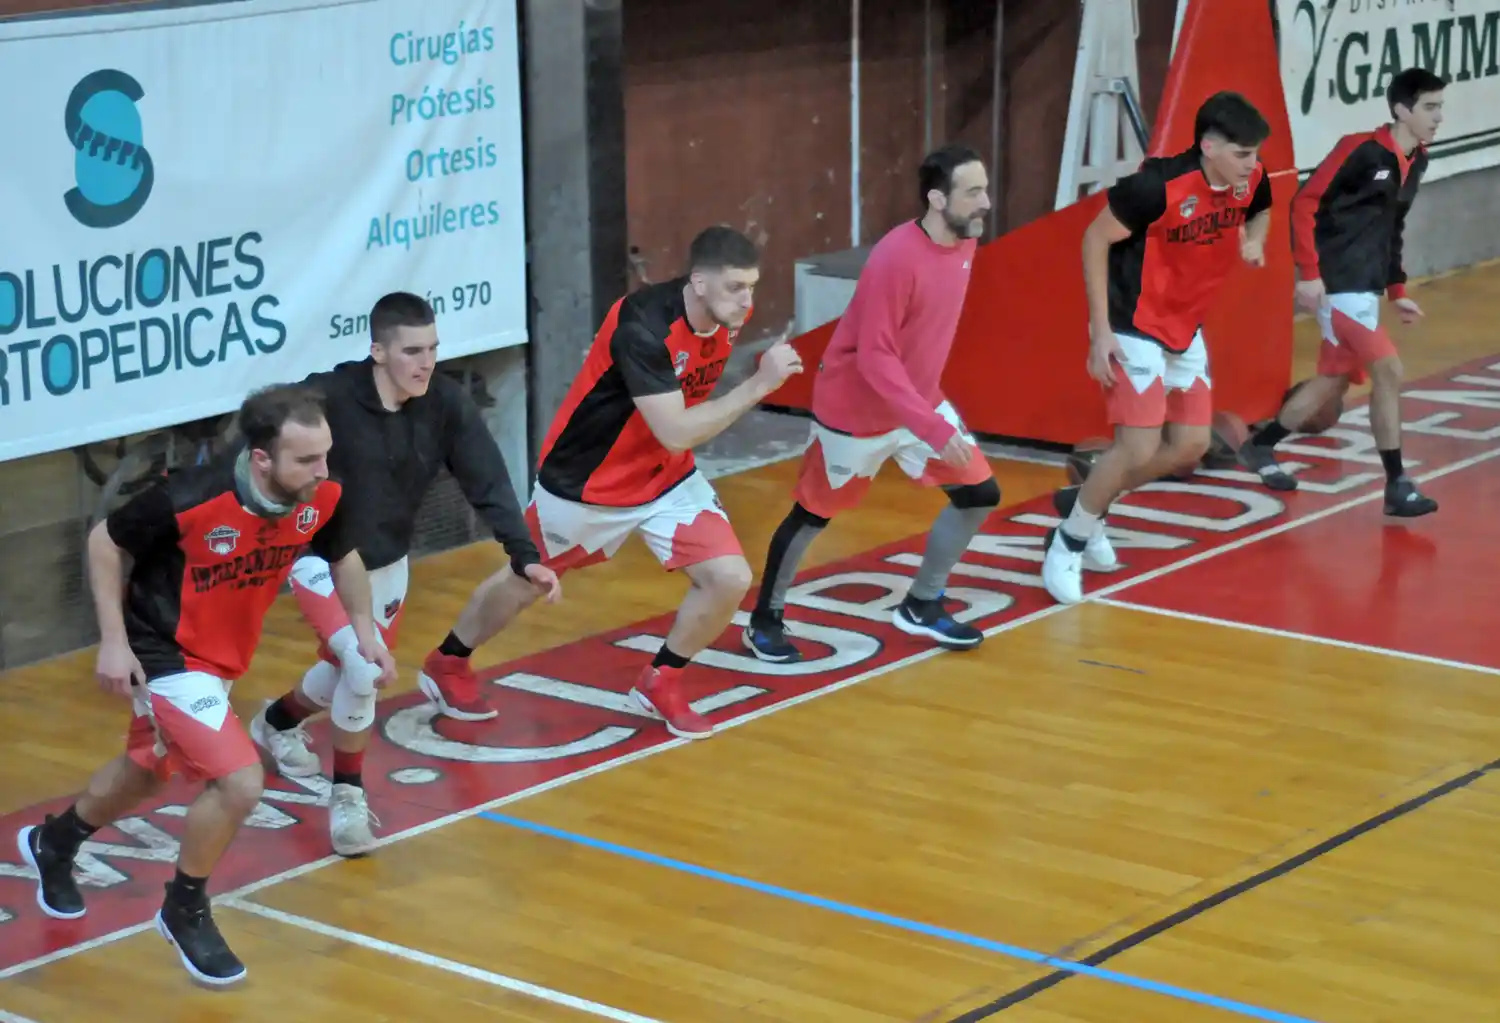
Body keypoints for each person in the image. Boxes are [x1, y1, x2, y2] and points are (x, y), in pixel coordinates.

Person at [14, 384, 395, 986]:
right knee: (241, 780)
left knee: (146, 769)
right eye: (307, 460)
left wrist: (363, 629)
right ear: (262, 458)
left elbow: (342, 554)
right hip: (164, 652)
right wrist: (113, 641)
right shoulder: (190, 497)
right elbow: (104, 541)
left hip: (223, 660)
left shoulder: (322, 493)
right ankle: (184, 906)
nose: (323, 470)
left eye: (325, 455)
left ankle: (55, 843)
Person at [247, 291, 559, 857]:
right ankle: (347, 797)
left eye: (433, 349)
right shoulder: (330, 397)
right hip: (318, 559)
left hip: (386, 562)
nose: (426, 362)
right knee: (363, 670)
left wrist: (524, 553)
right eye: (412, 350)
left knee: (343, 669)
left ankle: (276, 719)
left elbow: (485, 476)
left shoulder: (444, 404)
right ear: (377, 351)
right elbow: (268, 435)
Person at [525, 225, 802, 739]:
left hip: (665, 477)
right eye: (735, 288)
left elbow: (675, 434)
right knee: (523, 580)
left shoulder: (724, 317)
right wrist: (761, 384)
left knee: (730, 578)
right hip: (589, 480)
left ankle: (661, 679)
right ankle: (451, 659)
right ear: (698, 283)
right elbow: (675, 430)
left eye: (752, 287)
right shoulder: (643, 326)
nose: (748, 301)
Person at [744, 144, 999, 662]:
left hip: (918, 404)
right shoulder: (896, 257)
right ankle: (764, 619)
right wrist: (930, 426)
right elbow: (875, 359)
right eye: (973, 192)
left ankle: (922, 604)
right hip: (855, 414)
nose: (986, 203)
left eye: (984, 190)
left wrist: (925, 416)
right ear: (936, 198)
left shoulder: (964, 242)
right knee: (814, 514)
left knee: (979, 493)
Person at [1042, 91, 1274, 605]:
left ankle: (1085, 504)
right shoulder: (1155, 187)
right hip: (1132, 323)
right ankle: (1068, 541)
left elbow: (1262, 208)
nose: (1253, 164)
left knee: (1191, 445)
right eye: (1242, 154)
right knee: (1138, 447)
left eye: (1256, 154)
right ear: (1209, 146)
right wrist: (1099, 330)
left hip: (1184, 329)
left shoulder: (1248, 180)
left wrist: (1255, 239)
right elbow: (1093, 240)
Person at [1238, 67, 1443, 516]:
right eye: (1429, 107)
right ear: (1401, 109)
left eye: (1439, 106)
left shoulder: (1418, 160)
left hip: (1366, 288)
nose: (1437, 116)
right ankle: (1397, 485)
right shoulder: (1360, 150)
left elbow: (1392, 227)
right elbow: (1305, 201)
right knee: (1388, 370)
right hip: (1336, 286)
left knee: (1330, 382)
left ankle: (1260, 447)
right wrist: (1309, 273)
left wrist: (1396, 289)